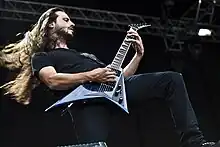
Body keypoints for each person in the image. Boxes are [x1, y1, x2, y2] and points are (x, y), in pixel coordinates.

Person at [0, 7, 220, 147]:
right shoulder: (43, 56)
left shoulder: (85, 55)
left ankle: (194, 142)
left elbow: (118, 78)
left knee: (172, 79)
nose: (72, 23)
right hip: (84, 101)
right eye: (66, 19)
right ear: (50, 24)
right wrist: (90, 75)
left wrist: (138, 55)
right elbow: (52, 80)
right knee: (95, 145)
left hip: (111, 91)